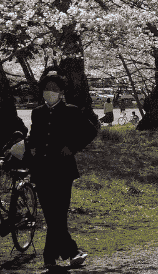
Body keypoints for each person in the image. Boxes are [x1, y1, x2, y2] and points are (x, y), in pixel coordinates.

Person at [26, 69, 97, 270]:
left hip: (63, 171)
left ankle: (50, 257)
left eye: (54, 88)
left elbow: (91, 130)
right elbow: (36, 135)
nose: (50, 91)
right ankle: (70, 252)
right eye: (47, 88)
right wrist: (32, 146)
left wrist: (72, 147)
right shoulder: (37, 112)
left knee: (58, 214)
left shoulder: (71, 111)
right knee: (51, 215)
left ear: (61, 91)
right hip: (42, 170)